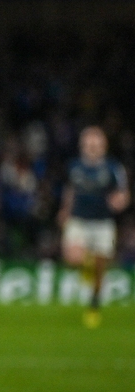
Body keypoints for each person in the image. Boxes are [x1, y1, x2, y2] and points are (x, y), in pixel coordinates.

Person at [58, 126, 129, 328]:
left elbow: (123, 193)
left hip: (102, 222)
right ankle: (86, 266)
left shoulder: (113, 167)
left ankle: (94, 303)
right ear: (82, 145)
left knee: (100, 268)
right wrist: (65, 210)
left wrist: (119, 201)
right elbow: (70, 189)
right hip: (79, 219)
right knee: (72, 258)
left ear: (103, 146)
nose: (91, 147)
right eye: (88, 144)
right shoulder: (74, 166)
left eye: (95, 144)